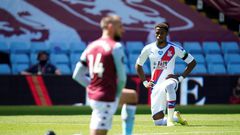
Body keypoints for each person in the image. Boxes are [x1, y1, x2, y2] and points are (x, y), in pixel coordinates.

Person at [72, 14, 137, 135]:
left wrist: (93, 87)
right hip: (106, 98)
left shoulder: (91, 46)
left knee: (132, 96)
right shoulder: (115, 47)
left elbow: (77, 75)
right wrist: (116, 97)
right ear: (110, 26)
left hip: (97, 95)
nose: (123, 30)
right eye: (120, 26)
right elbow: (122, 79)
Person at [135, 23, 196, 126]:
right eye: (157, 33)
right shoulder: (148, 49)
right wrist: (145, 82)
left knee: (168, 85)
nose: (159, 35)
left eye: (162, 33)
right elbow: (138, 65)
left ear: (166, 33)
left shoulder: (175, 48)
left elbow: (192, 62)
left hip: (170, 80)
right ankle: (176, 118)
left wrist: (180, 78)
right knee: (158, 122)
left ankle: (170, 120)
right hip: (156, 85)